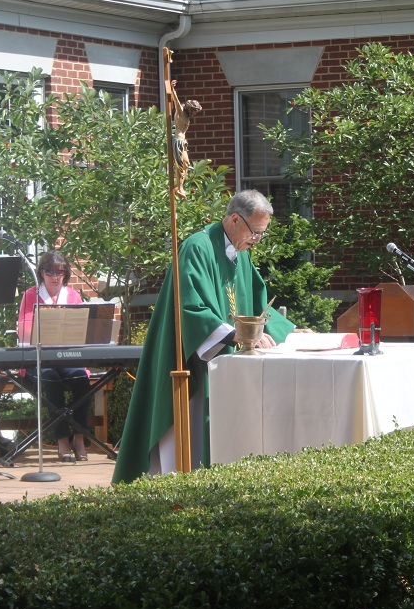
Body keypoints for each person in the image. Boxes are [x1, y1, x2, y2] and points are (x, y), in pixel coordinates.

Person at [113, 189, 302, 484]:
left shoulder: (240, 255)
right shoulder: (197, 247)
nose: (257, 240)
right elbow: (189, 309)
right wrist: (236, 334)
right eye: (256, 233)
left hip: (227, 365)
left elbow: (256, 303)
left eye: (262, 235)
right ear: (236, 220)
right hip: (193, 365)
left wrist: (289, 331)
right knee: (191, 444)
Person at [17, 250, 92, 462]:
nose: (55, 276)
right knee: (51, 381)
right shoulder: (31, 294)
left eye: (60, 272)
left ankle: (79, 437)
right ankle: (62, 440)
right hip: (39, 358)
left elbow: (82, 330)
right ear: (42, 273)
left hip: (67, 356)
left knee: (82, 381)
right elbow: (24, 331)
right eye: (50, 272)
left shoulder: (73, 296)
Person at [170, 79, 202, 199]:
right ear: (190, 108)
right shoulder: (181, 112)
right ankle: (179, 188)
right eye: (194, 111)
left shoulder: (187, 117)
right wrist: (172, 89)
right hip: (178, 140)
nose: (195, 113)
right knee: (180, 165)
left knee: (186, 164)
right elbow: (176, 101)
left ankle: (181, 187)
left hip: (183, 142)